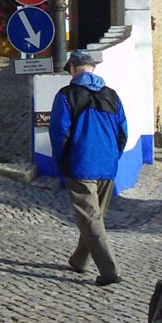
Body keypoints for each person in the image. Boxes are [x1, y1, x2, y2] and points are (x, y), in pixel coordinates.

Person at [48, 49, 128, 287]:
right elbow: (123, 132)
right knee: (94, 217)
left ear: (73, 69)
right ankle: (79, 260)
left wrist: (62, 161)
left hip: (81, 163)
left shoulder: (66, 95)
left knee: (91, 219)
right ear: (93, 68)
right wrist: (114, 156)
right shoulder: (112, 96)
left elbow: (59, 133)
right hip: (108, 164)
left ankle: (109, 270)